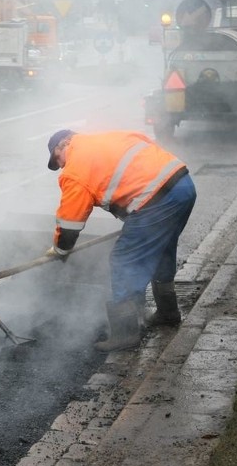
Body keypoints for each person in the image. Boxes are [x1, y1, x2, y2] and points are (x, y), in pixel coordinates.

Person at [45, 129, 196, 352]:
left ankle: (125, 333)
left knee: (123, 259)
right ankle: (168, 311)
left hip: (155, 201)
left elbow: (70, 222)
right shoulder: (107, 136)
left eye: (58, 160)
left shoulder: (75, 167)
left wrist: (61, 249)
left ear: (62, 145)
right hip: (183, 186)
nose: (61, 166)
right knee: (163, 249)